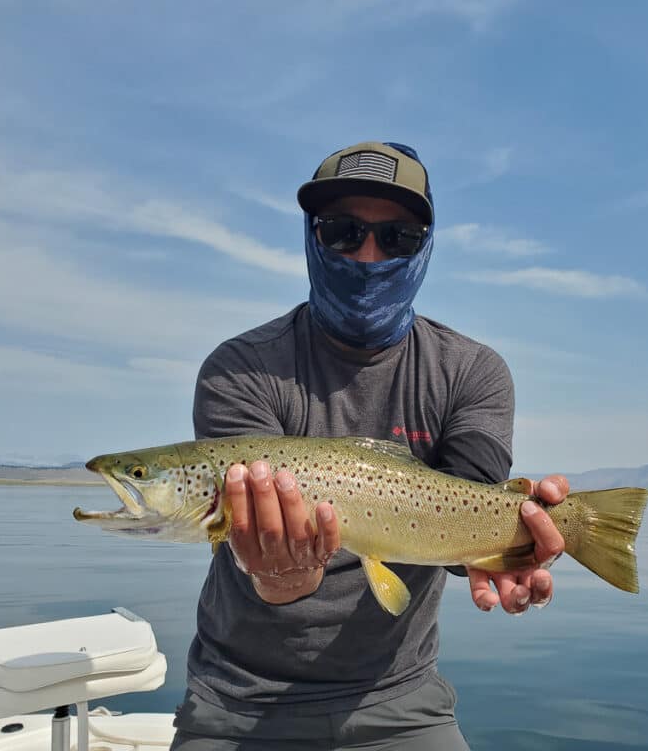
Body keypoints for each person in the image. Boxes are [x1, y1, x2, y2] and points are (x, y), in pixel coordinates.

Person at [170, 141, 569, 750]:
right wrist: (282, 580)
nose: (368, 256)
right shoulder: (239, 370)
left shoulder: (472, 372)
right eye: (343, 232)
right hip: (237, 699)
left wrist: (500, 551)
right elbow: (264, 559)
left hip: (401, 698)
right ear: (312, 237)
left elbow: (466, 499)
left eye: (398, 238)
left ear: (425, 247)